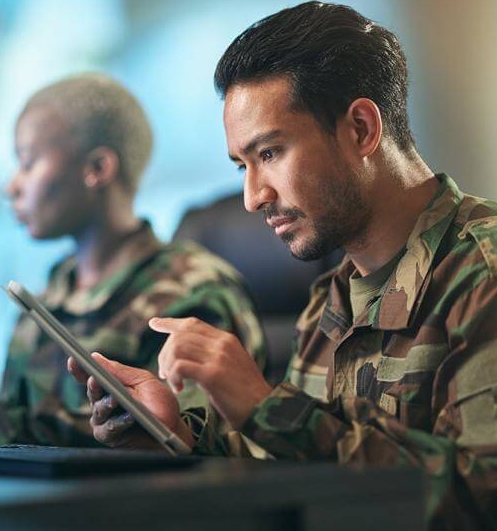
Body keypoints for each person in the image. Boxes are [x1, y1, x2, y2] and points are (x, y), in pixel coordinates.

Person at [68, 4, 497, 528]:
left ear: (362, 129)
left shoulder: (483, 271)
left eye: (269, 153)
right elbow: (300, 466)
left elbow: (480, 497)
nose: (252, 197)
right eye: (242, 165)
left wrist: (267, 408)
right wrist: (180, 435)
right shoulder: (331, 296)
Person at [0, 73, 266, 450]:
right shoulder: (49, 295)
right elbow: (20, 426)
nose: (11, 186)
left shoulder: (195, 292)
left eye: (27, 163)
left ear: (97, 169)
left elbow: (198, 447)